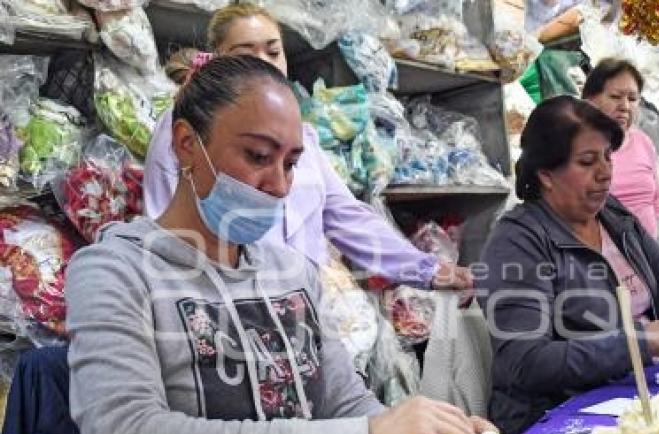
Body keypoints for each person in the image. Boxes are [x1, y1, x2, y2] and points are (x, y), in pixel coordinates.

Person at [67, 56, 505, 434]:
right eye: (257, 155)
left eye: (291, 162)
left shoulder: (292, 272)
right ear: (187, 145)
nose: (278, 184)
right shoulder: (115, 271)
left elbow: (343, 405)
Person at [477, 96, 659, 434]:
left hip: (637, 394)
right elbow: (525, 362)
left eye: (607, 157)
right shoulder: (518, 241)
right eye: (587, 162)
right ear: (546, 175)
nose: (605, 173)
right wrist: (643, 342)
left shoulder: (612, 216)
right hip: (557, 425)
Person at [144, 2, 471, 290]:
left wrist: (427, 270)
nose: (266, 63)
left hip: (301, 308)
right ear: (217, 63)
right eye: (246, 54)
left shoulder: (301, 136)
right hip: (225, 303)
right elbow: (166, 222)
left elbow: (347, 217)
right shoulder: (187, 125)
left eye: (273, 51)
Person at [582, 58, 659, 239]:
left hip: (646, 257)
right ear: (589, 101)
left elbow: (657, 198)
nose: (625, 107)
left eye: (633, 99)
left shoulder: (644, 142)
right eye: (615, 97)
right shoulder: (575, 148)